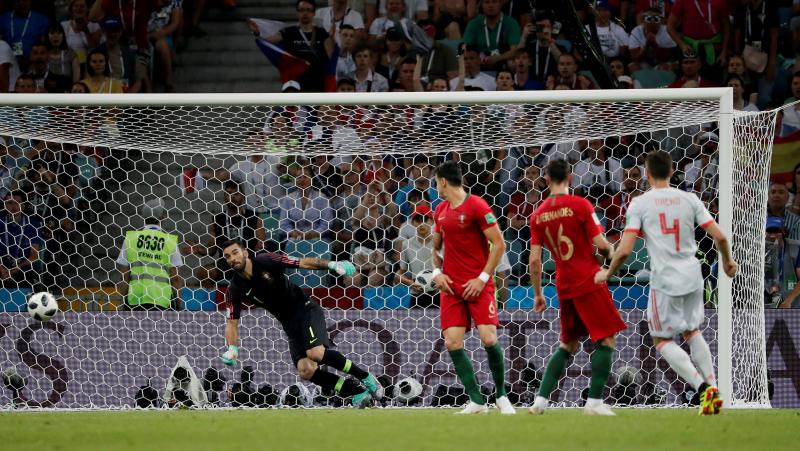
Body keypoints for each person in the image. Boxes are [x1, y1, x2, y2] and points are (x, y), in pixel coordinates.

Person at [595, 150, 737, 415]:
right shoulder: (690, 199)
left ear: (646, 174)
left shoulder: (639, 203)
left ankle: (702, 389)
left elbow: (625, 250)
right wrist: (728, 262)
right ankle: (713, 387)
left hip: (665, 278)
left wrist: (608, 272)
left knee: (661, 340)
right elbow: (720, 237)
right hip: (693, 274)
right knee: (692, 332)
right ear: (672, 172)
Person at [219, 238, 383, 407]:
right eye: (227, 256)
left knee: (316, 353)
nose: (232, 258)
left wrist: (331, 265)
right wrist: (232, 348)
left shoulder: (265, 260)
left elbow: (303, 263)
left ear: (245, 252)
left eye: (235, 253)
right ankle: (357, 392)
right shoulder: (234, 289)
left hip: (306, 310)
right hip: (289, 325)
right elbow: (232, 323)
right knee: (306, 370)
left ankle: (366, 377)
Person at [527, 159, 625, 416]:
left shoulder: (537, 215)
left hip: (564, 284)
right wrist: (610, 259)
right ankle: (593, 403)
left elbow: (535, 260)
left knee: (568, 344)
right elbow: (602, 245)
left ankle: (539, 402)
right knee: (606, 339)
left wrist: (538, 293)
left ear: (546, 179)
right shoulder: (581, 205)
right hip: (588, 280)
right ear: (570, 178)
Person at [430, 160, 515, 415]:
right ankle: (477, 401)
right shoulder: (440, 211)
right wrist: (436, 273)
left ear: (443, 181)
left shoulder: (477, 205)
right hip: (451, 288)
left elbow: (499, 244)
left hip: (479, 285)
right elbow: (435, 248)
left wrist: (482, 278)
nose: (436, 187)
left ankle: (501, 395)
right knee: (453, 343)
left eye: (436, 182)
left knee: (489, 338)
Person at [115, 198, 183, 310]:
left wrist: (122, 302)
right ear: (162, 217)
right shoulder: (169, 241)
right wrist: (179, 305)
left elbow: (124, 275)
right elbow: (175, 278)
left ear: (144, 217)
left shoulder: (131, 238)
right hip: (162, 300)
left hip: (135, 300)